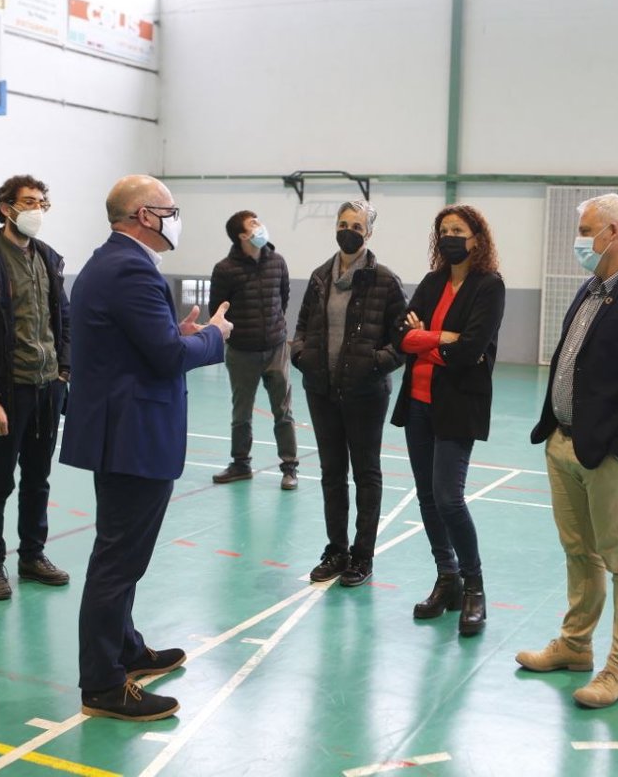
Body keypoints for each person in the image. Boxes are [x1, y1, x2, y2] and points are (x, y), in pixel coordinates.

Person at [60, 175, 232, 721]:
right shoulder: (131, 268)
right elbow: (166, 358)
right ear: (142, 215)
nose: (175, 218)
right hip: (133, 436)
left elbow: (138, 345)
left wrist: (176, 333)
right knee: (118, 560)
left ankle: (126, 648)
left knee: (124, 555)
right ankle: (103, 683)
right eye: (168, 209)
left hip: (122, 431)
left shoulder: (108, 263)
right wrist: (213, 336)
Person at [515, 193, 618, 709]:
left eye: (587, 230)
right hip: (563, 443)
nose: (580, 240)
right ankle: (575, 645)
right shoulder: (591, 290)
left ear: (614, 233)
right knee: (579, 552)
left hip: (611, 456)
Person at [0, 175, 71, 601]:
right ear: (6, 208)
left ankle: (32, 556)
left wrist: (64, 370)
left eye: (42, 202)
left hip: (47, 388)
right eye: (29, 202)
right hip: (8, 391)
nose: (37, 210)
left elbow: (63, 318)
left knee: (38, 478)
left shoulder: (48, 258)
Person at [390, 205, 505, 636]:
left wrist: (425, 343)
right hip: (417, 403)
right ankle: (447, 578)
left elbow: (472, 350)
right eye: (443, 230)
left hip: (458, 405)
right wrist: (440, 338)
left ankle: (474, 586)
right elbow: (401, 336)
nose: (449, 236)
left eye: (458, 229)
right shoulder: (432, 281)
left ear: (477, 238)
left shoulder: (489, 286)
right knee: (426, 497)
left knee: (448, 498)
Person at [291, 200, 407, 588]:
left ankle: (363, 555)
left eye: (356, 226)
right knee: (331, 472)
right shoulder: (320, 276)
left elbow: (403, 340)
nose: (348, 231)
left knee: (366, 473)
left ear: (368, 233)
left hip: (366, 393)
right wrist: (301, 355)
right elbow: (302, 325)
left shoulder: (385, 281)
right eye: (343, 224)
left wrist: (374, 363)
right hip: (321, 389)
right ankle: (336, 550)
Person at [208, 210, 299, 490]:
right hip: (241, 352)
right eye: (253, 224)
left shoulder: (277, 262)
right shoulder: (225, 269)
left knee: (283, 412)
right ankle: (240, 464)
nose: (260, 226)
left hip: (276, 348)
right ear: (242, 236)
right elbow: (217, 311)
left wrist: (274, 330)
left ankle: (290, 468)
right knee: (241, 414)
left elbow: (283, 298)